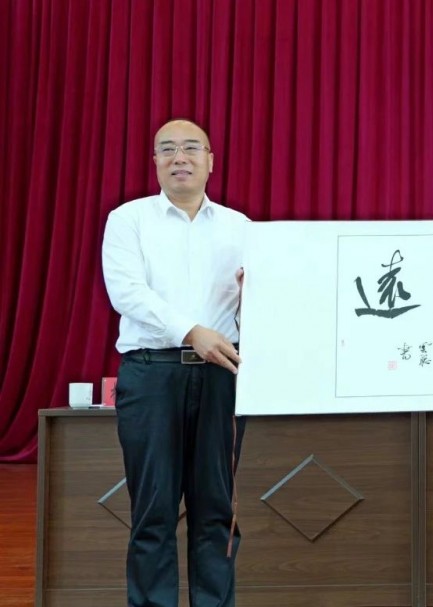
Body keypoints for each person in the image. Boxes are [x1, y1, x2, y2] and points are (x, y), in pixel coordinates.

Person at [102, 119, 249, 607]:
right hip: (151, 374)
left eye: (190, 148)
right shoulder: (128, 220)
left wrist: (257, 296)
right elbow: (127, 293)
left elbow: (260, 305)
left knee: (217, 512)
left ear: (210, 160)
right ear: (155, 163)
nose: (179, 157)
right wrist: (191, 332)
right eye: (167, 149)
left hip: (222, 378)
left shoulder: (240, 227)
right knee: (153, 513)